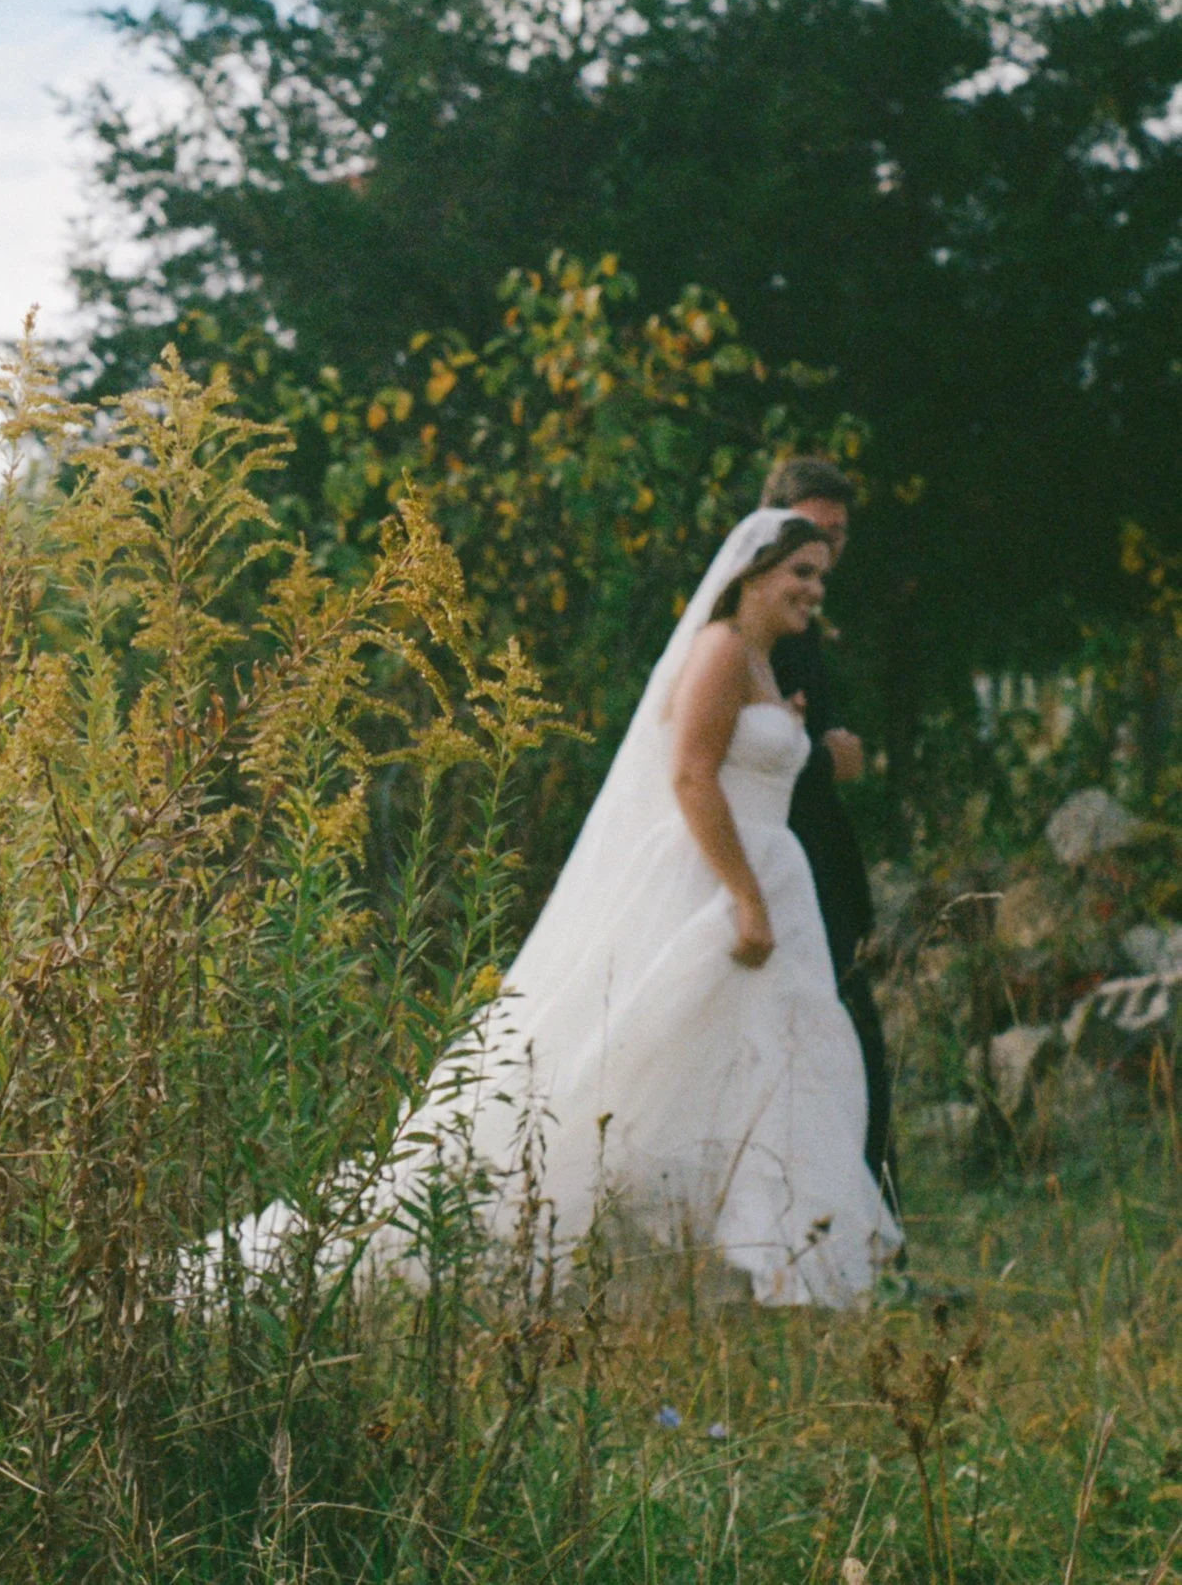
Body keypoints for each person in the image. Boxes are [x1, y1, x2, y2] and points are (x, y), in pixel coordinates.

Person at [201, 511, 904, 1308]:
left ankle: (773, 1263)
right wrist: (744, 896)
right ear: (751, 574)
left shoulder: (763, 662)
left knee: (760, 1060)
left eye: (819, 575)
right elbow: (690, 779)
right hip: (721, 880)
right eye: (799, 573)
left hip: (770, 872)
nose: (814, 589)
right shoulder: (719, 651)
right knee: (650, 1056)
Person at [759, 457, 899, 1213]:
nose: (826, 557)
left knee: (847, 1040)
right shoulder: (743, 635)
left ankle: (868, 1217)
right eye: (812, 535)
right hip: (773, 866)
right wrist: (821, 756)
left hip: (813, 859)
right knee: (845, 1041)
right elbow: (709, 759)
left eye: (838, 537)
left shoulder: (801, 623)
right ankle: (869, 1221)